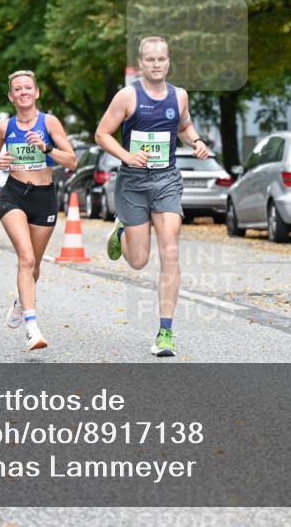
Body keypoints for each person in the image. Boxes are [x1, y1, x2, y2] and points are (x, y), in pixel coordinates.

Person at [94, 36, 210, 357]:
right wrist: (126, 156)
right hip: (133, 182)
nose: (157, 64)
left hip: (167, 180)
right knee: (139, 260)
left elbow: (184, 126)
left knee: (170, 250)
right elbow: (102, 133)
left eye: (162, 59)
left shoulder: (180, 96)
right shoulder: (127, 96)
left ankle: (165, 332)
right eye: (150, 59)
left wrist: (196, 141)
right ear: (141, 63)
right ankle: (121, 230)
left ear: (168, 62)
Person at [0, 70, 76, 351]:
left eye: (28, 88)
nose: (23, 92)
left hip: (44, 197)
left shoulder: (50, 122)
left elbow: (71, 160)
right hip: (14, 196)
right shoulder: (4, 126)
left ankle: (19, 302)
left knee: (33, 265)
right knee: (25, 258)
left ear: (36, 93)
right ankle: (32, 329)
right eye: (17, 89)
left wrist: (46, 147)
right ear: (11, 96)